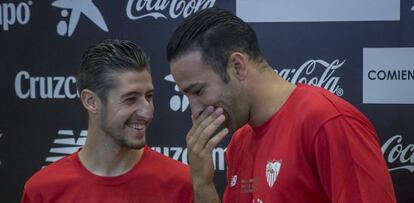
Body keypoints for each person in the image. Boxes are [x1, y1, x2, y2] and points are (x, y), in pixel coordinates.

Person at [166, 8, 396, 203]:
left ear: (237, 66)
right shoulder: (239, 144)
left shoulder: (328, 121)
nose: (195, 110)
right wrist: (202, 184)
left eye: (197, 91)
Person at [22, 39, 193, 203]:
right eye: (130, 99)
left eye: (149, 96)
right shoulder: (43, 190)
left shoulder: (181, 183)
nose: (147, 112)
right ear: (91, 101)